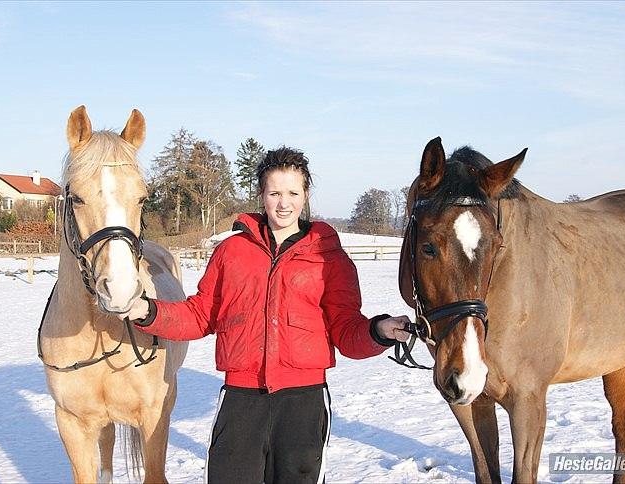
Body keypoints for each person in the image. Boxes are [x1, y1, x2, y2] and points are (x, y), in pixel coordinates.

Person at [121, 147, 411, 484]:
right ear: (262, 195)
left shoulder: (329, 257)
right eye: (274, 193)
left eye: (292, 193)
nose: (283, 203)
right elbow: (201, 314)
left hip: (303, 403)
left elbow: (346, 332)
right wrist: (147, 311)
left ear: (305, 195)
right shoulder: (231, 252)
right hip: (242, 400)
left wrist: (379, 330)